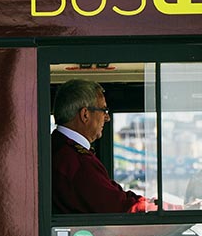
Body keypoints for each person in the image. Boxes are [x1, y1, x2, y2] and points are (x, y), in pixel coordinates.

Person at [51, 79, 154, 214]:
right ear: (85, 114)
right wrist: (167, 210)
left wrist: (150, 203)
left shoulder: (58, 148)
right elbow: (119, 209)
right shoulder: (76, 161)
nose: (107, 118)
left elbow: (112, 194)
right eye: (104, 110)